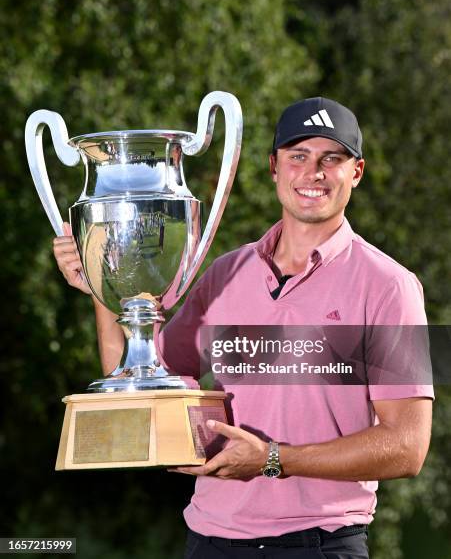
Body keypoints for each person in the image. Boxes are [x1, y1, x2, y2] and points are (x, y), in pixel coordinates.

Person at [53, 97, 433, 559]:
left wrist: (272, 460)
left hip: (318, 545)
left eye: (331, 158)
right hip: (211, 541)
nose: (313, 173)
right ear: (274, 167)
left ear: (356, 172)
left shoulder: (391, 286)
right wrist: (101, 278)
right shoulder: (226, 273)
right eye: (298, 156)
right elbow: (132, 384)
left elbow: (407, 447)